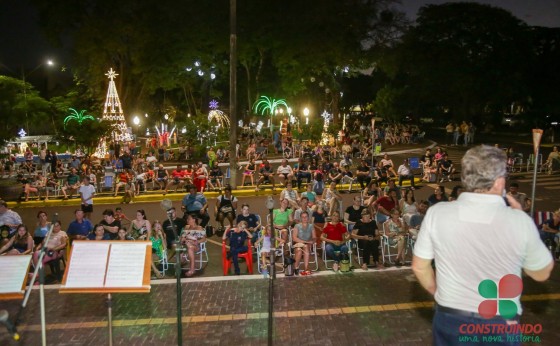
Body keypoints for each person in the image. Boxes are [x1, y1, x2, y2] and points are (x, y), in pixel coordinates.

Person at [412, 145, 553, 345]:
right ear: (499, 182)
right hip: (499, 320)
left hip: (450, 317)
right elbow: (541, 273)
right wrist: (522, 219)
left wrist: (438, 292)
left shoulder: (438, 213)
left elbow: (420, 266)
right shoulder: (518, 220)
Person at [292, 211, 316, 275]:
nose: (304, 218)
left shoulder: (311, 226)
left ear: (308, 218)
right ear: (300, 218)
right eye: (303, 217)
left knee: (306, 247)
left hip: (307, 245)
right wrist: (305, 242)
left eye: (306, 217)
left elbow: (314, 237)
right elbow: (294, 238)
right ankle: (296, 267)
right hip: (298, 243)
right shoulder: (297, 226)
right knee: (299, 250)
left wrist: (312, 241)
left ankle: (306, 268)